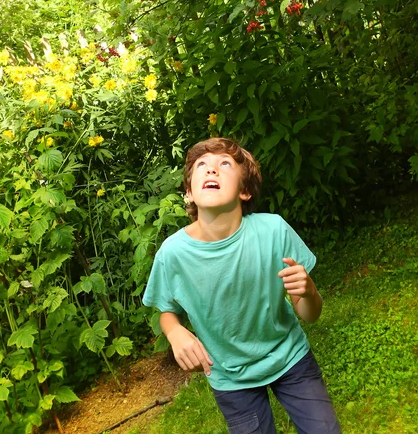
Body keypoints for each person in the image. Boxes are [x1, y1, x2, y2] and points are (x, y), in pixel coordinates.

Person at [143, 138, 341, 434]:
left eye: (224, 164)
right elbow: (166, 311)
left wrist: (309, 291)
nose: (211, 169)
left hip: (290, 358)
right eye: (201, 166)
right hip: (231, 378)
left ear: (244, 190)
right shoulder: (173, 254)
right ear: (189, 193)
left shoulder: (273, 230)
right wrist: (174, 332)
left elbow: (310, 315)